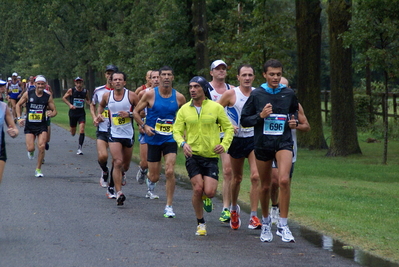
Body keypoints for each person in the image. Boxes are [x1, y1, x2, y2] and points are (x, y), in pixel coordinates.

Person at [241, 59, 299, 243]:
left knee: (283, 180)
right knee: (265, 186)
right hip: (263, 144)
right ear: (265, 75)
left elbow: (295, 113)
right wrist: (261, 116)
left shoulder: (289, 93)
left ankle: (283, 223)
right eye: (272, 74)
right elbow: (245, 120)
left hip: (283, 142)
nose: (275, 77)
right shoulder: (257, 94)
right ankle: (265, 223)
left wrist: (293, 122)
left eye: (278, 74)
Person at [173, 76, 233, 236]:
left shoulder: (216, 107)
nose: (192, 90)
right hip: (193, 155)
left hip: (211, 155)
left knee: (210, 192)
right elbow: (176, 131)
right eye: (190, 87)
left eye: (196, 87)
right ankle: (201, 223)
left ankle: (207, 197)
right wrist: (182, 144)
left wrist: (224, 144)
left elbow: (229, 128)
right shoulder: (184, 109)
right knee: (198, 188)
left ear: (203, 89)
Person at [133, 66, 186, 217]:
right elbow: (136, 112)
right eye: (164, 75)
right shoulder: (150, 95)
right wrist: (144, 125)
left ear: (173, 78)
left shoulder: (179, 97)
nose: (167, 77)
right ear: (159, 77)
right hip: (153, 138)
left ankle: (169, 206)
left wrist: (184, 132)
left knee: (169, 170)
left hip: (170, 138)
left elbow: (187, 115)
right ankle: (146, 171)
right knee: (154, 176)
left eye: (169, 74)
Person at [218, 64, 261, 230]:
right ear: (238, 77)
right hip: (236, 140)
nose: (247, 78)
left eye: (250, 75)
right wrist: (228, 125)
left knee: (255, 176)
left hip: (253, 139)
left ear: (254, 77)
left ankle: (253, 216)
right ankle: (234, 209)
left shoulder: (258, 94)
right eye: (244, 75)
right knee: (237, 178)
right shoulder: (230, 94)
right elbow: (215, 111)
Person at [269, 77, 310, 225]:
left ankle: (282, 213)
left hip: (289, 148)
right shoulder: (268, 103)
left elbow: (307, 126)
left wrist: (296, 125)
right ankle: (274, 206)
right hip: (271, 147)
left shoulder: (296, 106)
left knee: (284, 182)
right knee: (274, 181)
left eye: (285, 87)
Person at [96, 72, 138, 206]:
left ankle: (121, 174)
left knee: (125, 166)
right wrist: (99, 115)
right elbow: (101, 106)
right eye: (115, 80)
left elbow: (142, 112)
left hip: (128, 134)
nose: (118, 82)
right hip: (114, 133)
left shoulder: (131, 96)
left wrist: (130, 114)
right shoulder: (107, 96)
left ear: (124, 82)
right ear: (111, 82)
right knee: (117, 161)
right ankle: (118, 192)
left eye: (120, 80)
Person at [208, 59, 235, 223]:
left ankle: (226, 208)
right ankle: (206, 194)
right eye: (218, 69)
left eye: (223, 69)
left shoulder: (232, 90)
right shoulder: (206, 89)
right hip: (208, 134)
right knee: (206, 167)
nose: (221, 71)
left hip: (225, 134)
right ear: (211, 72)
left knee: (227, 170)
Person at [16, 76, 57, 177]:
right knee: (30, 148)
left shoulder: (48, 96)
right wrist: (19, 118)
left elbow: (55, 110)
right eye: (38, 84)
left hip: (42, 125)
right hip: (30, 125)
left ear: (45, 85)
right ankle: (31, 152)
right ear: (35, 84)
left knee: (42, 146)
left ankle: (38, 169)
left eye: (42, 84)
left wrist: (52, 114)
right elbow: (18, 105)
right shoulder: (28, 94)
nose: (40, 86)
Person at [90, 64, 118, 192]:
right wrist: (95, 117)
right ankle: (105, 171)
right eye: (108, 73)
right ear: (105, 75)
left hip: (117, 130)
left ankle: (113, 183)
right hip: (102, 128)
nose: (110, 76)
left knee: (116, 160)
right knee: (103, 157)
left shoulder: (123, 92)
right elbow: (92, 104)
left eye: (113, 73)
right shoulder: (99, 90)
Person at [135, 70, 161, 200]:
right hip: (146, 130)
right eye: (153, 77)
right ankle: (142, 169)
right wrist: (140, 124)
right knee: (145, 162)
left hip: (160, 132)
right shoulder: (142, 93)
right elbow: (136, 111)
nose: (156, 79)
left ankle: (150, 189)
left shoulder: (167, 95)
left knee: (155, 164)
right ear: (149, 80)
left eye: (158, 77)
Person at [62, 77, 90, 155]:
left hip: (81, 113)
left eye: (80, 82)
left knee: (81, 130)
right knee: (73, 131)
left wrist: (90, 104)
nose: (79, 84)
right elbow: (64, 98)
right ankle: (72, 132)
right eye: (77, 82)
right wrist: (70, 105)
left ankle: (80, 148)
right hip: (73, 113)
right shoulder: (71, 90)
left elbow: (87, 99)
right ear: (75, 83)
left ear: (82, 83)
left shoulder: (85, 91)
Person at [0, 79, 19, 183]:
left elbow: (14, 129)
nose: (1, 89)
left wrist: (14, 132)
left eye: (1, 87)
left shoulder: (4, 107)